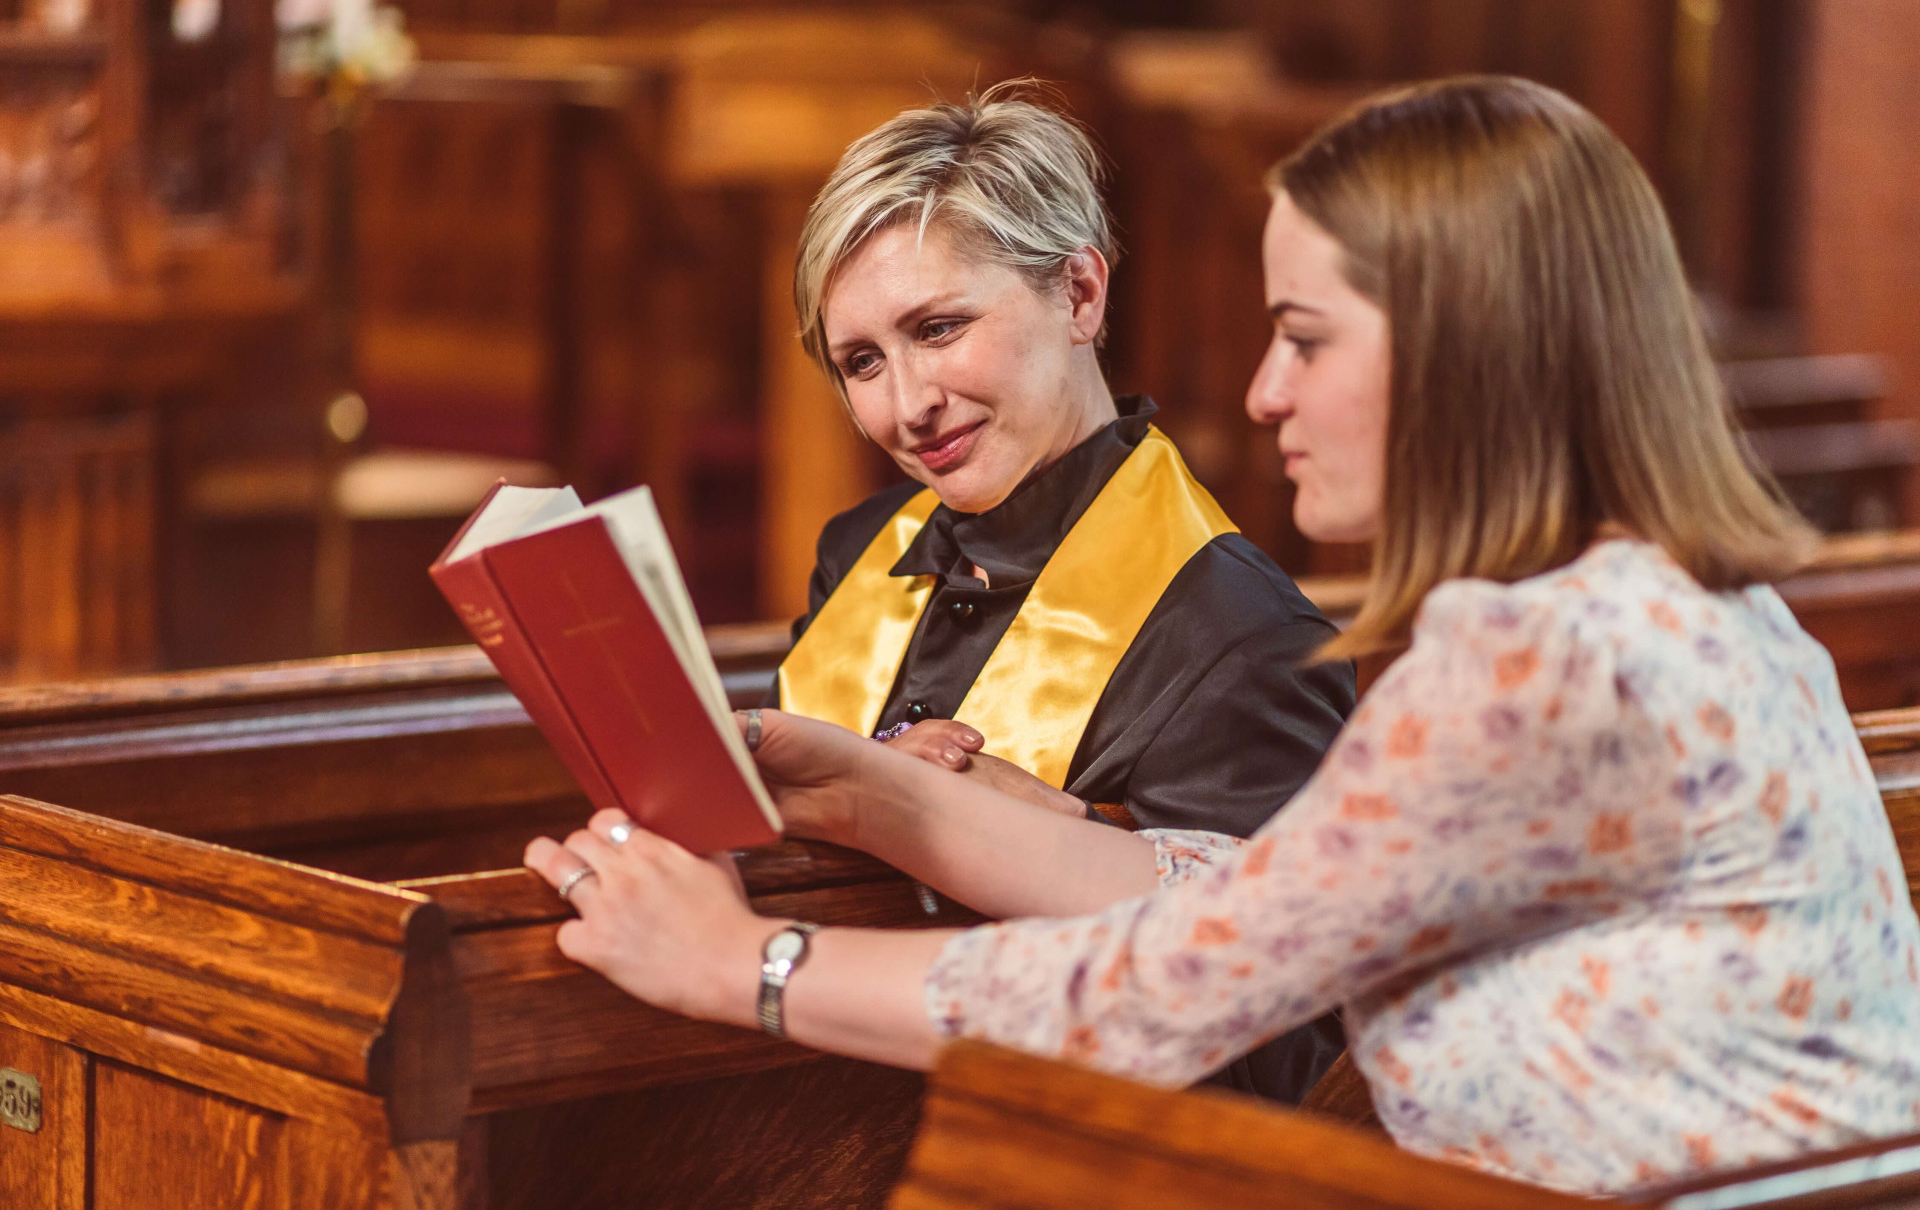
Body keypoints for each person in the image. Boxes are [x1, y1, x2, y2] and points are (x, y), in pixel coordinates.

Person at [527, 76, 1920, 1196]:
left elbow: (1157, 997)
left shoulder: (1533, 665)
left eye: (1305, 339)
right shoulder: (1700, 610)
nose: (1261, 394)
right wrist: (894, 799)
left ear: (1470, 341)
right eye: (859, 361)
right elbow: (1262, 900)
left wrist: (742, 966)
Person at [764, 84, 1357, 1101]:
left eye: (940, 327)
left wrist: (1076, 842)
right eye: (863, 360)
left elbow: (1289, 1052)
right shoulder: (858, 547)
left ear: (1081, 294)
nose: (909, 406)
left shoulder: (1237, 633)